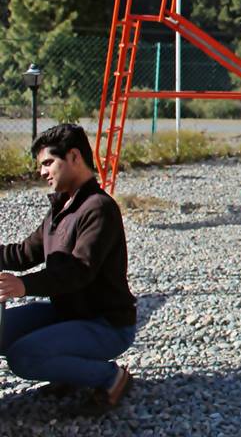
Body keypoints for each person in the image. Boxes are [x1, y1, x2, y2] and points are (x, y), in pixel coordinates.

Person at [0, 124, 136, 413]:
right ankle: (69, 372)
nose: (42, 172)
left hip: (106, 324)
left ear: (74, 156)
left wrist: (23, 286)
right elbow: (24, 253)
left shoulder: (99, 208)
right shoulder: (62, 208)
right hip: (68, 315)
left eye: (48, 162)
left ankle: (111, 378)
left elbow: (79, 271)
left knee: (23, 357)